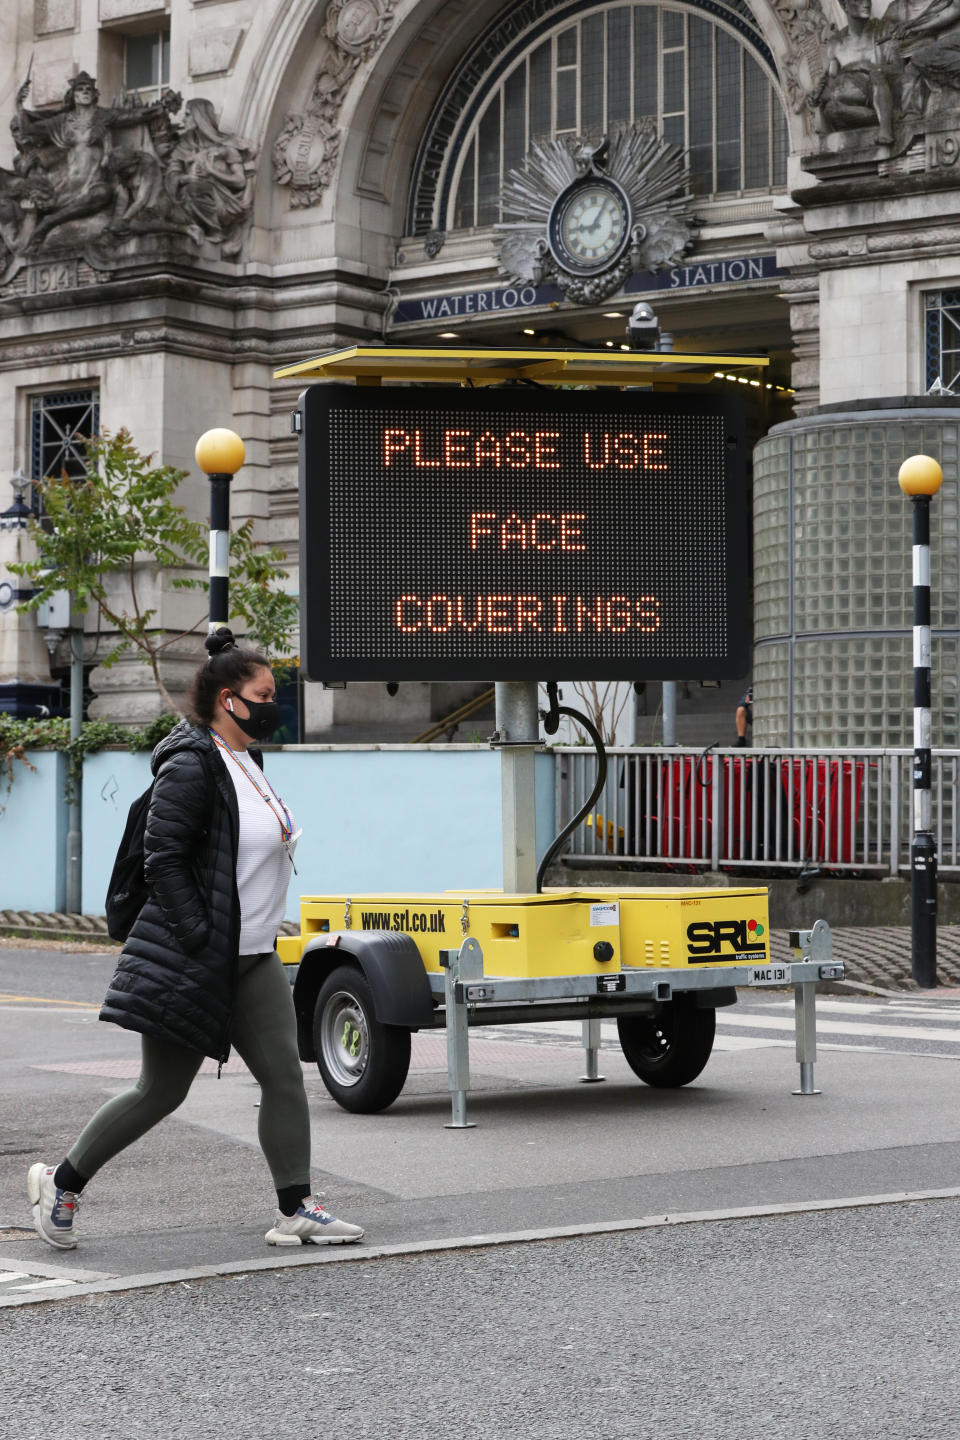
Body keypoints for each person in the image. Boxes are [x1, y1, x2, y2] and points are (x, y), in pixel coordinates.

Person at [28, 628, 363, 1251]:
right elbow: (163, 858)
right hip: (201, 954)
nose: (274, 704)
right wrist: (198, 933)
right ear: (228, 700)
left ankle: (295, 1206)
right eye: (264, 694)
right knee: (160, 1091)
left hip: (254, 954)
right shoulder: (191, 765)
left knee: (284, 1077)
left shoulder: (249, 762)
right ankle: (60, 1182)